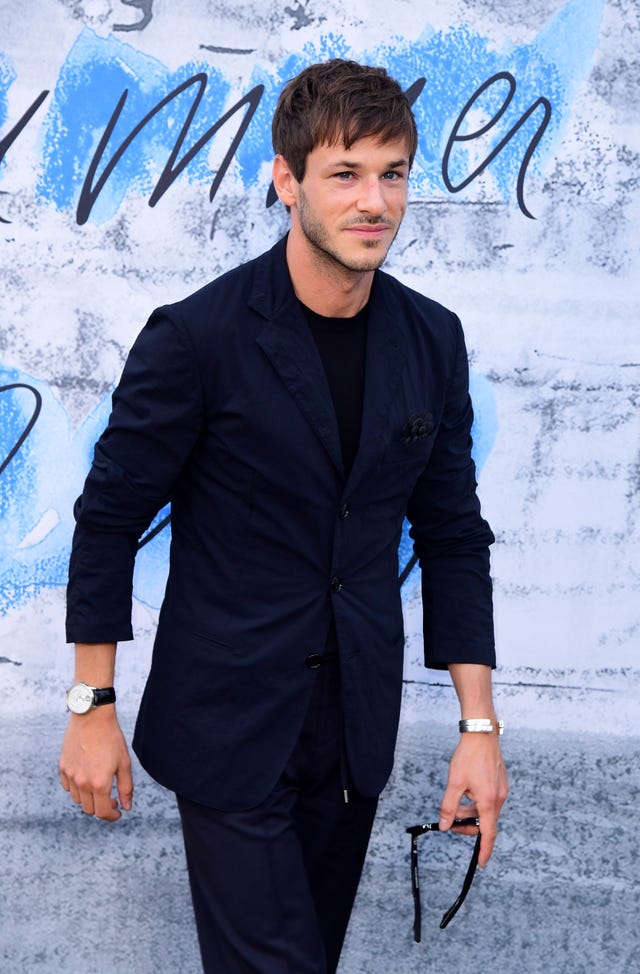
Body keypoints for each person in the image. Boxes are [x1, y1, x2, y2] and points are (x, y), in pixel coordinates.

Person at [59, 58, 508, 974]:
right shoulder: (196, 339)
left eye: (393, 174)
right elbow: (109, 518)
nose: (374, 200)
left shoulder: (433, 339)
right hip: (227, 722)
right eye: (345, 174)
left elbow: (454, 536)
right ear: (287, 179)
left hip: (352, 733)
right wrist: (91, 702)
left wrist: (478, 729)